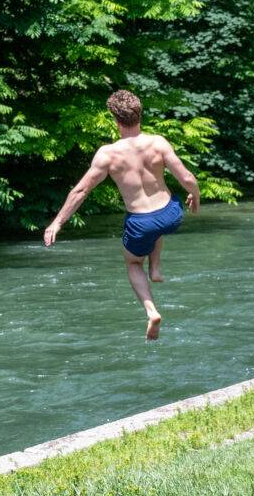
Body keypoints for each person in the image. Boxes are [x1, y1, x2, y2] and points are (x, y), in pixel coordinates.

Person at [43, 90, 200, 340]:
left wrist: (57, 222)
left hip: (140, 221)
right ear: (140, 115)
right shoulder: (158, 142)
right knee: (157, 226)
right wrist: (195, 197)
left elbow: (81, 190)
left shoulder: (108, 154)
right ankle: (156, 269)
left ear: (116, 120)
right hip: (171, 213)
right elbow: (188, 178)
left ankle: (151, 312)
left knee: (133, 262)